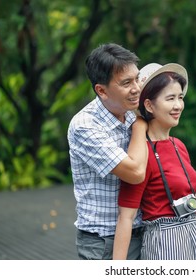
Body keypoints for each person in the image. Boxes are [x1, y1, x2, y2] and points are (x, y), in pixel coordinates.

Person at [113, 63, 196, 260]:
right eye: (170, 98)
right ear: (148, 105)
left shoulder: (178, 145)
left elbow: (190, 191)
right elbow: (126, 218)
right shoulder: (141, 155)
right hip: (166, 245)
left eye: (180, 97)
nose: (178, 105)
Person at [67, 43, 148, 260]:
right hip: (103, 242)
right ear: (101, 90)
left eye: (137, 78)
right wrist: (141, 125)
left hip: (143, 233)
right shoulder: (86, 125)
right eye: (126, 83)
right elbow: (135, 172)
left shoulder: (133, 112)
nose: (137, 88)